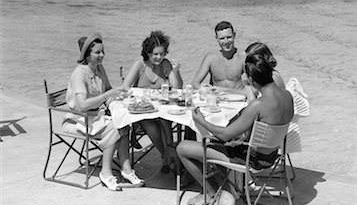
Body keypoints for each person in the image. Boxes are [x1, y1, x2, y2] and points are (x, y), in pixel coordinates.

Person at [177, 48, 294, 205]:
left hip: (250, 160)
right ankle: (231, 187)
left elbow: (225, 135)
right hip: (271, 156)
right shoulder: (287, 96)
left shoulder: (258, 105)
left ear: (252, 79)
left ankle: (213, 193)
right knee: (224, 141)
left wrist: (202, 121)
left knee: (182, 148)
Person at [62, 32, 144, 191]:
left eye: (103, 51)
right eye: (97, 52)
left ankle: (126, 169)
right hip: (77, 120)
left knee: (123, 123)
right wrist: (108, 95)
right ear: (87, 54)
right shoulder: (79, 74)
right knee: (115, 127)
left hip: (94, 117)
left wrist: (120, 98)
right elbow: (83, 105)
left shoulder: (99, 69)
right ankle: (105, 173)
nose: (102, 55)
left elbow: (107, 91)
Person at [122, 30, 183, 173]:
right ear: (148, 53)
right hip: (143, 111)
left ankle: (168, 159)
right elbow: (125, 86)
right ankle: (167, 156)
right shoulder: (140, 65)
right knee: (152, 125)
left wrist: (177, 71)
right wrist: (141, 96)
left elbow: (177, 88)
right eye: (155, 54)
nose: (159, 57)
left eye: (162, 54)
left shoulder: (166, 64)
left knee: (165, 121)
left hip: (161, 108)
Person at [191, 21, 252, 99]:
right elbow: (194, 83)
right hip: (217, 101)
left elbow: (254, 89)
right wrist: (204, 88)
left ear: (234, 35)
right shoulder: (211, 58)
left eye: (229, 37)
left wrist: (221, 90)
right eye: (222, 38)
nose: (226, 42)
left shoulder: (243, 57)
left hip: (239, 100)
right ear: (217, 39)